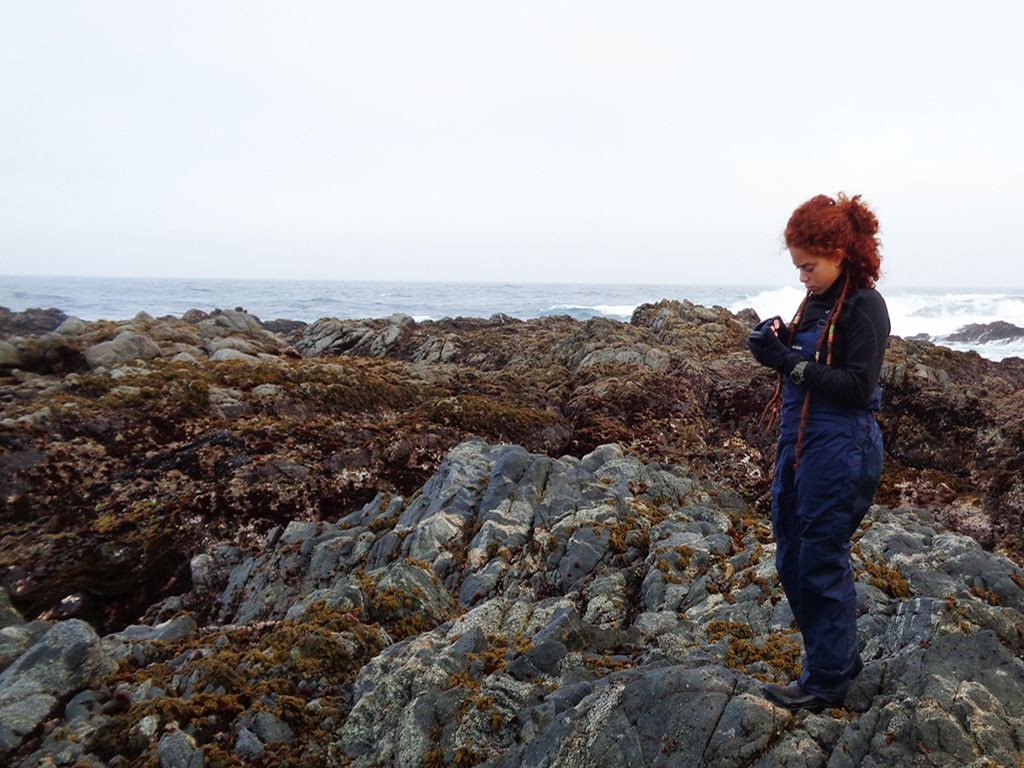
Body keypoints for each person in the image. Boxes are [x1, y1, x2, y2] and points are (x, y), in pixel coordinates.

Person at [746, 192, 890, 713]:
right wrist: (775, 343)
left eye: (809, 266)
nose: (803, 277)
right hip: (800, 442)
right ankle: (834, 657)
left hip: (842, 446)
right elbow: (803, 361)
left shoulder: (864, 305)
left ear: (839, 252)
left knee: (819, 559)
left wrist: (787, 361)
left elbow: (856, 386)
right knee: (790, 553)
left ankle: (827, 679)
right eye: (798, 268)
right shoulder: (819, 302)